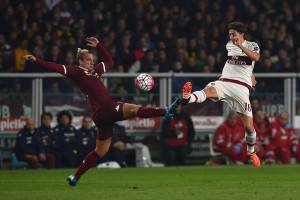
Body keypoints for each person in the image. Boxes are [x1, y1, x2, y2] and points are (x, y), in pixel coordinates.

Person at [24, 37, 178, 186]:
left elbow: (109, 61)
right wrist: (37, 60)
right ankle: (165, 111)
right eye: (89, 60)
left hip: (101, 116)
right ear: (81, 61)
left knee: (100, 151)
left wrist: (99, 46)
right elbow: (56, 67)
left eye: (93, 60)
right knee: (133, 109)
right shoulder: (77, 72)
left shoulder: (96, 72)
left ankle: (75, 176)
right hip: (107, 109)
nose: (92, 62)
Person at [181, 22, 261, 167]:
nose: (231, 37)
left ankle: (251, 151)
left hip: (241, 88)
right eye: (230, 34)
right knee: (208, 91)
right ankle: (189, 97)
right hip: (225, 81)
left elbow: (255, 58)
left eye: (234, 34)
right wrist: (250, 73)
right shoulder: (229, 45)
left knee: (249, 127)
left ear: (241, 33)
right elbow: (238, 64)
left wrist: (241, 49)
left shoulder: (252, 45)